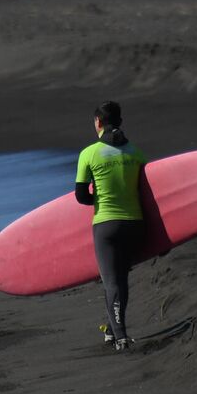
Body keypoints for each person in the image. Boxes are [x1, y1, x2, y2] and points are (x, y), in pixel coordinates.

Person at [75, 100, 147, 351]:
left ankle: (121, 337)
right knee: (121, 279)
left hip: (106, 225)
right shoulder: (136, 153)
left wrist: (102, 197)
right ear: (120, 122)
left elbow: (81, 196)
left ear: (98, 122)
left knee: (111, 282)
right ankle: (111, 330)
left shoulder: (89, 153)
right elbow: (147, 192)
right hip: (135, 223)